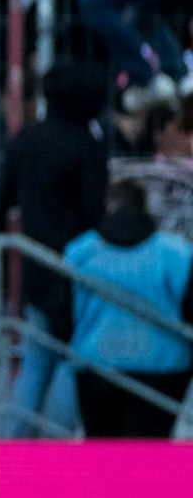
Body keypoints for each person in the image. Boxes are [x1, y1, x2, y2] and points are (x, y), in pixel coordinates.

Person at [0, 62, 108, 437]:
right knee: (71, 360)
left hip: (37, 265)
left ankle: (16, 446)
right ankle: (58, 445)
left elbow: (6, 198)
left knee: (36, 360)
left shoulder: (26, 141)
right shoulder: (88, 147)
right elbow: (95, 214)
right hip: (78, 268)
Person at [65, 181, 193, 438]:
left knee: (102, 459)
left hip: (95, 365)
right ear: (144, 206)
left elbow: (61, 309)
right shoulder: (176, 252)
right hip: (164, 367)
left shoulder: (80, 251)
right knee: (147, 461)